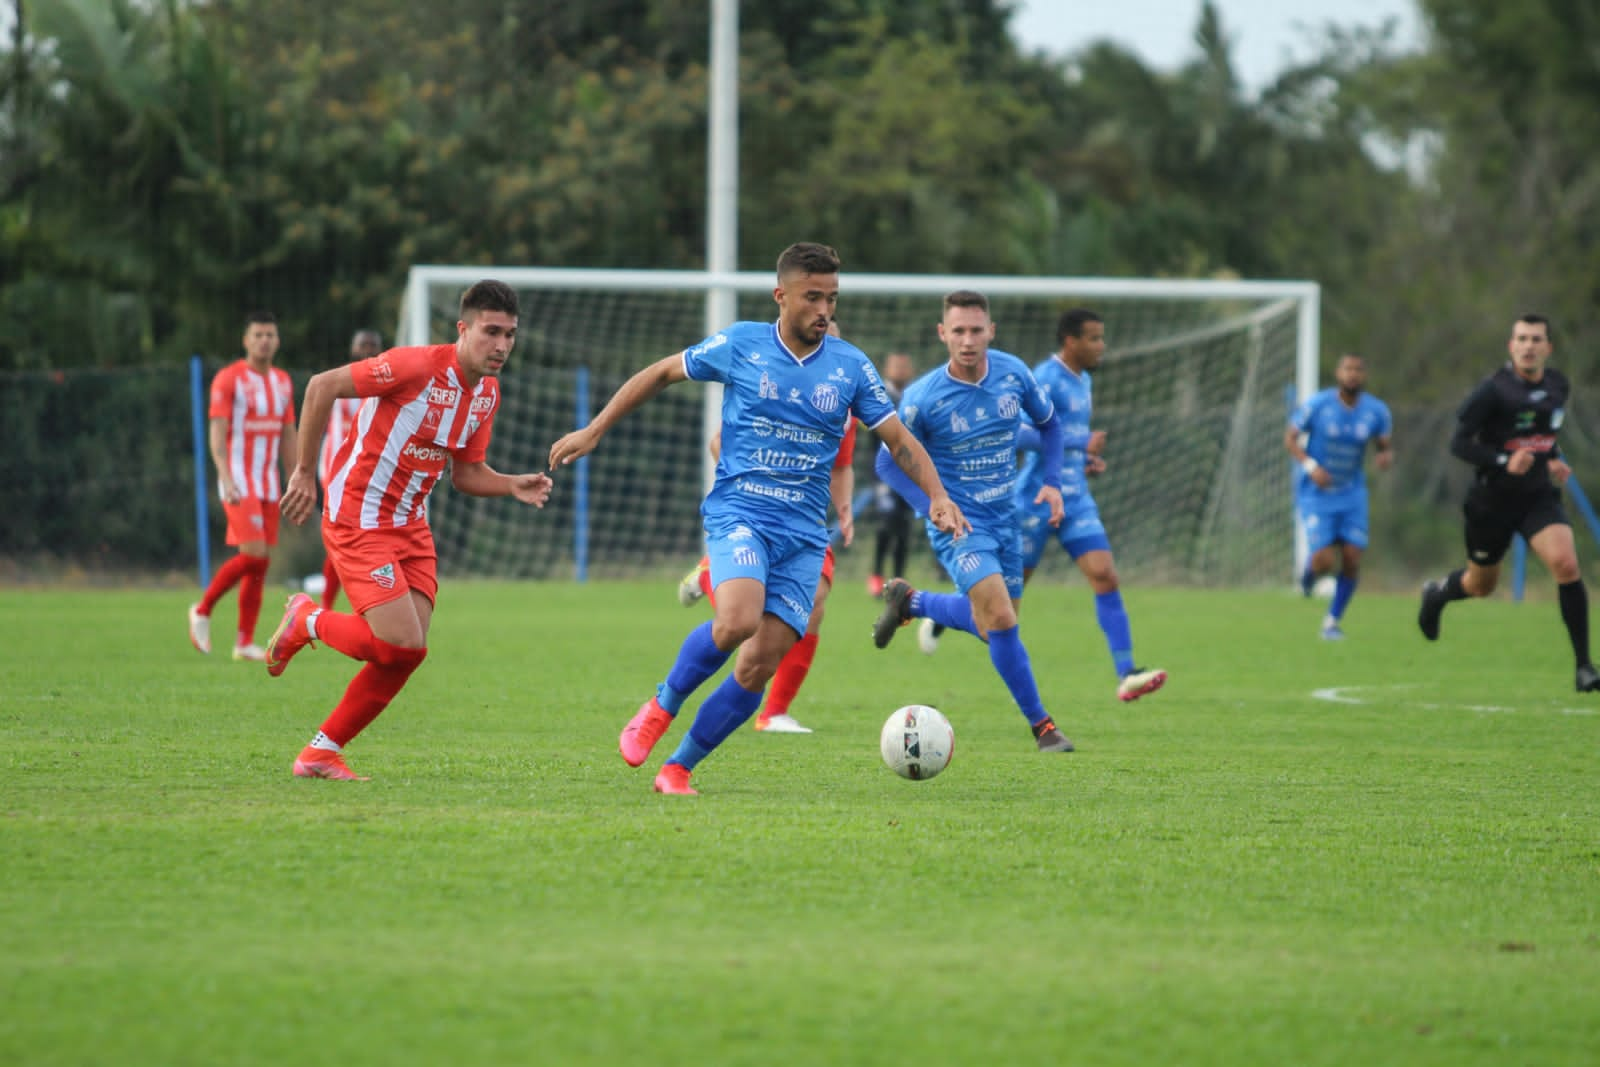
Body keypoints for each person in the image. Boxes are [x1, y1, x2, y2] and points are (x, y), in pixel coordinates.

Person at [548, 242, 967, 795]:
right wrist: (594, 429)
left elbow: (897, 439)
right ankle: (661, 704)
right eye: (813, 297)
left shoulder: (850, 366)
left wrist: (937, 493)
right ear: (782, 296)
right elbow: (660, 373)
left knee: (758, 663)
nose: (824, 309)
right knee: (738, 620)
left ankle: (678, 769)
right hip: (741, 512)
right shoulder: (741, 343)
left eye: (832, 298)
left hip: (802, 536)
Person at [263, 281, 554, 780]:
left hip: (411, 527)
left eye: (510, 334)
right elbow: (320, 386)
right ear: (463, 329)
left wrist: (510, 485)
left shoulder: (486, 394)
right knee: (399, 644)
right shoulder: (414, 366)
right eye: (491, 332)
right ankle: (307, 619)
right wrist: (304, 471)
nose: (502, 346)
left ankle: (319, 753)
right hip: (358, 517)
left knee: (407, 654)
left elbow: (465, 473)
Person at [917, 309, 1167, 702]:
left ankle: (1127, 672)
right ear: (1071, 341)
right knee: (1000, 611)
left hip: (1075, 498)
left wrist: (1082, 461)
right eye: (1094, 339)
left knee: (1104, 574)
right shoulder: (1042, 377)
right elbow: (1014, 433)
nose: (1101, 347)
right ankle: (938, 611)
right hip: (1032, 500)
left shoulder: (1083, 382)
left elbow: (1057, 438)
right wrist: (1079, 444)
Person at [871, 289, 1078, 752]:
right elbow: (886, 465)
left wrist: (1052, 482)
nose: (968, 340)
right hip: (960, 527)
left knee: (993, 628)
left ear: (991, 332)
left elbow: (1050, 426)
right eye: (958, 331)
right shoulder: (923, 398)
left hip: (1006, 517)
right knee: (1001, 618)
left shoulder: (1013, 373)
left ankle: (913, 603)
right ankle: (1044, 728)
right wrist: (935, 507)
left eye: (976, 330)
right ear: (943, 334)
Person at [676, 320, 859, 735]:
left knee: (814, 606)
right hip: (756, 512)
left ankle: (774, 711)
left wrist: (844, 506)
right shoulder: (775, 382)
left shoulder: (843, 398)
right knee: (748, 622)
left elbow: (843, 464)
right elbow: (718, 442)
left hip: (803, 521)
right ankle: (710, 576)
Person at [1418, 314, 1600, 692]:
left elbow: (1544, 434)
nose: (1528, 346)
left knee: (1566, 564)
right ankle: (1437, 595)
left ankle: (1584, 668)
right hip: (1491, 501)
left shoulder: (1557, 386)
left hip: (1536, 496)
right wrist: (1503, 460)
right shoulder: (1491, 392)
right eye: (1521, 338)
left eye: (1536, 339)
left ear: (1548, 347)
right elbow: (1459, 444)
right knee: (1481, 585)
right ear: (1510, 346)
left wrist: (1553, 458)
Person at [187, 311, 298, 662]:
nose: (264, 340)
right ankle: (202, 610)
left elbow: (288, 435)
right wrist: (223, 473)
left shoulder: (282, 382)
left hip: (268, 483)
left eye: (270, 334)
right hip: (238, 479)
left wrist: (296, 479)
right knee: (254, 554)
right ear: (246, 340)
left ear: (277, 341)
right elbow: (217, 431)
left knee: (259, 565)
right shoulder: (229, 378)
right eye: (258, 335)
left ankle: (243, 642)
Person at [1285, 353, 1394, 639]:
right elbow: (1290, 438)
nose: (1353, 374)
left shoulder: (1376, 411)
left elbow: (1383, 444)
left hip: (1351, 492)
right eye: (1348, 368)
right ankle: (1309, 577)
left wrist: (1384, 456)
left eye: (1359, 369)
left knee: (1352, 556)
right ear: (1338, 373)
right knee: (1323, 560)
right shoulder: (1318, 405)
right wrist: (1311, 466)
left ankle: (1332, 621)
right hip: (1317, 492)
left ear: (1365, 375)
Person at [316, 328, 384, 610]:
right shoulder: (339, 381)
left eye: (372, 346)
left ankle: (329, 607)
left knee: (353, 542)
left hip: (370, 476)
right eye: (362, 345)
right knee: (348, 540)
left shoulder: (387, 385)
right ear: (352, 349)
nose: (367, 350)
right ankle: (329, 606)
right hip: (335, 473)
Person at [868, 350, 917, 597]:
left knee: (904, 527)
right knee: (886, 524)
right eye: (895, 366)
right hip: (884, 475)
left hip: (909, 475)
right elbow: (871, 442)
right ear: (887, 369)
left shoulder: (914, 397)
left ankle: (899, 581)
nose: (899, 371)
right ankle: (876, 574)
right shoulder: (880, 396)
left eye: (903, 366)